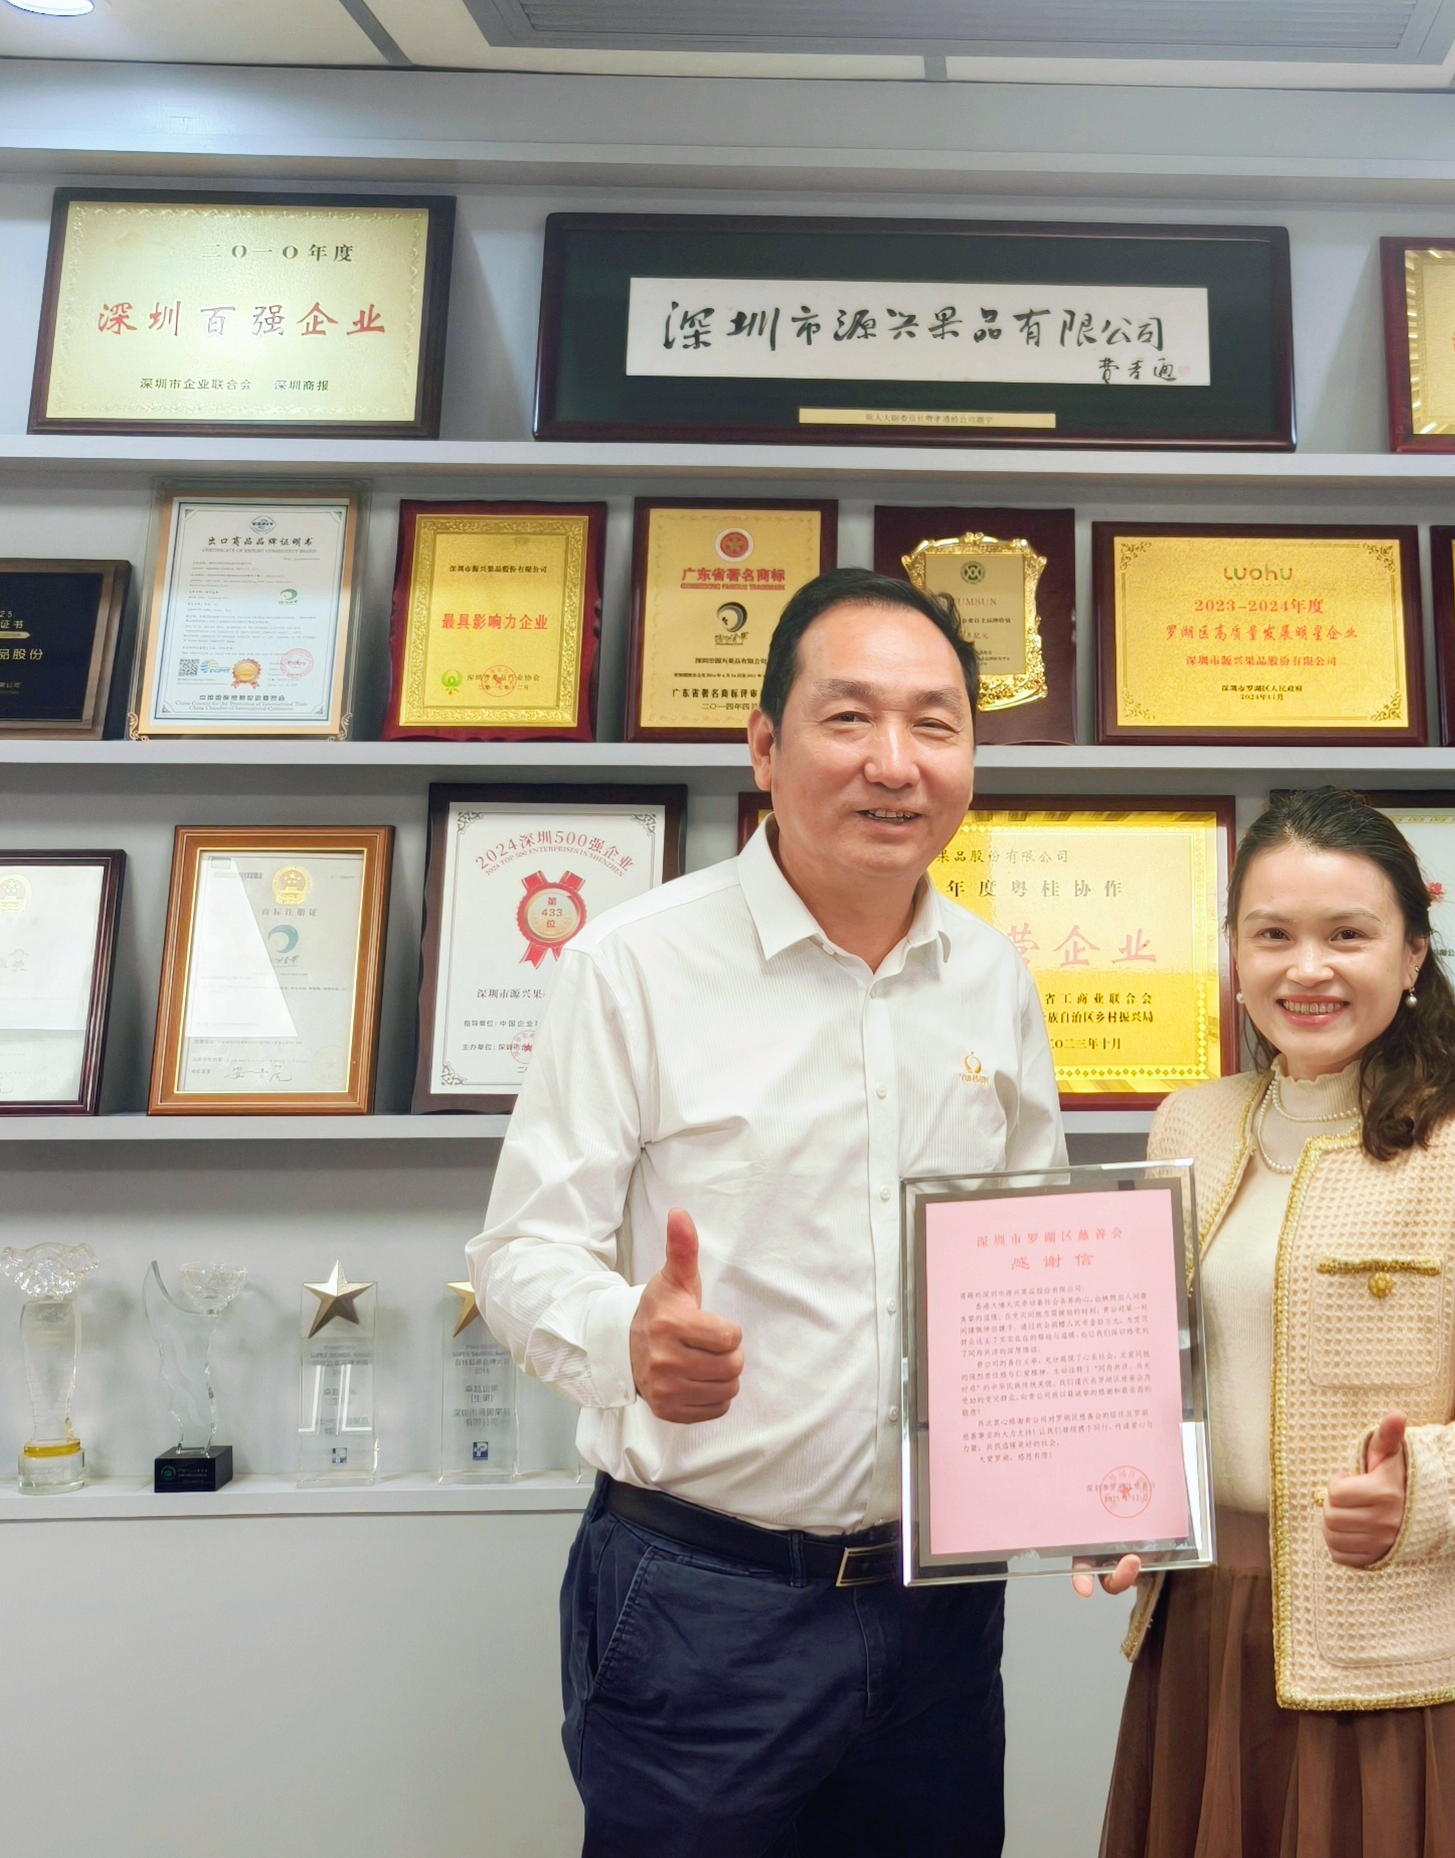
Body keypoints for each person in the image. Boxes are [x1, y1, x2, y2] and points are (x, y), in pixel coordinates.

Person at [467, 567, 1066, 1858]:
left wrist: (1093, 1482)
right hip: (704, 1601)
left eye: (935, 723)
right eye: (848, 718)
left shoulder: (991, 977)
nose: (894, 763)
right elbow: (521, 1247)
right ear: (763, 747)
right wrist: (627, 1337)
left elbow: (1034, 1272)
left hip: (938, 1600)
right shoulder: (633, 964)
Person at [1082, 786, 1455, 1858]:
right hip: (1198, 1623)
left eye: (1347, 935)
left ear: (1411, 956)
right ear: (1233, 951)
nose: (1305, 969)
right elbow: (1139, 1363)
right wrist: (1103, 1495)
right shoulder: (1189, 1124)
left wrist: (1421, 1491)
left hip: (1382, 1638)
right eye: (1272, 935)